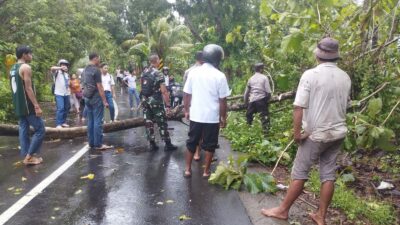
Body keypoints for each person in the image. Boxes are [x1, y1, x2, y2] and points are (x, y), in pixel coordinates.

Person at [261, 37, 351, 225]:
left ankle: (282, 210)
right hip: (338, 133)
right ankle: (321, 215)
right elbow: (346, 105)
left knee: (300, 172)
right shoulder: (345, 77)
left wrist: (296, 134)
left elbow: (298, 107)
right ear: (335, 57)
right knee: (328, 174)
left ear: (318, 55)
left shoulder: (310, 75)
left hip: (315, 134)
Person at [183, 44, 230, 178]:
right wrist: (223, 117)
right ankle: (206, 171)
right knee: (210, 145)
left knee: (192, 141)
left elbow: (186, 94)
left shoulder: (193, 73)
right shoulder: (220, 76)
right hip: (212, 117)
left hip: (196, 115)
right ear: (217, 59)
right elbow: (223, 100)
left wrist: (186, 110)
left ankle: (187, 170)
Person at [9, 45, 45, 165]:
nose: (31, 55)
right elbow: (28, 89)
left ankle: (27, 156)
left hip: (18, 104)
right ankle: (29, 157)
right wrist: (36, 105)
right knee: (40, 129)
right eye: (30, 53)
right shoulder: (25, 67)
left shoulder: (13, 68)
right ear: (24, 54)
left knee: (23, 129)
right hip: (27, 105)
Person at [140, 54, 178, 151]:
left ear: (149, 61)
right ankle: (167, 144)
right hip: (155, 100)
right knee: (161, 121)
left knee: (148, 121)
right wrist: (168, 105)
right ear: (157, 61)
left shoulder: (144, 72)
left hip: (145, 100)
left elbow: (141, 88)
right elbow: (164, 91)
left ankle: (152, 144)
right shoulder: (158, 73)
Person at [82, 53, 113, 150]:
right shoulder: (96, 70)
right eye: (99, 58)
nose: (99, 60)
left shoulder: (85, 69)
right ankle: (98, 144)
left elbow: (83, 84)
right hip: (96, 98)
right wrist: (104, 100)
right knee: (98, 121)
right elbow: (100, 86)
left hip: (87, 97)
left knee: (90, 121)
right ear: (95, 58)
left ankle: (91, 143)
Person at [244, 63, 272, 135]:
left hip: (252, 101)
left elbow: (246, 93)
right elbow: (268, 92)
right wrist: (267, 101)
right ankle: (266, 135)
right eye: (263, 68)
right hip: (261, 100)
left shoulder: (251, 79)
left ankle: (248, 134)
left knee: (249, 117)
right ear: (261, 69)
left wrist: (246, 103)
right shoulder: (264, 78)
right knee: (264, 118)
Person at [51, 59, 71, 128]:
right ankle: (58, 124)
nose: (64, 66)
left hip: (66, 93)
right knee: (61, 108)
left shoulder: (67, 74)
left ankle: (63, 122)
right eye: (62, 65)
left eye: (65, 65)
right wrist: (60, 68)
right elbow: (52, 68)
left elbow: (67, 84)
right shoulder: (56, 72)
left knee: (67, 108)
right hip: (59, 93)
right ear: (60, 65)